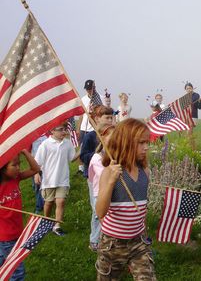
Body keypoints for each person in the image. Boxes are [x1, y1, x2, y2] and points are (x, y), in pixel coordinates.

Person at [95, 119, 156, 280]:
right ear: (126, 142)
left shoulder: (145, 172)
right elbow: (100, 211)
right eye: (141, 143)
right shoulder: (110, 172)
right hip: (112, 245)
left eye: (147, 142)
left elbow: (142, 208)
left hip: (138, 242)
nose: (146, 147)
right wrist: (110, 182)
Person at [1, 150, 40, 280]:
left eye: (19, 164)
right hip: (5, 237)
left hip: (17, 232)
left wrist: (24, 152)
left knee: (3, 265)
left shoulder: (15, 179)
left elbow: (36, 169)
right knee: (17, 272)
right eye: (14, 165)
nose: (18, 168)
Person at [34, 122, 78, 236]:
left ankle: (57, 226)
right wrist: (36, 174)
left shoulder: (67, 143)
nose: (63, 132)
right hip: (48, 180)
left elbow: (72, 158)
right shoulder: (45, 144)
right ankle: (46, 221)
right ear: (52, 131)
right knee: (48, 203)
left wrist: (82, 149)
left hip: (63, 179)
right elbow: (37, 162)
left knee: (61, 201)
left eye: (64, 129)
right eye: (60, 130)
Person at [87, 123, 115, 252]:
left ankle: (110, 242)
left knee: (109, 218)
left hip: (111, 191)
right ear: (102, 138)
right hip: (99, 192)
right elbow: (105, 175)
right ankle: (96, 241)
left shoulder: (114, 155)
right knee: (99, 216)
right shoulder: (97, 158)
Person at [80, 105, 114, 179]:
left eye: (111, 118)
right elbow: (83, 156)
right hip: (94, 174)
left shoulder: (114, 135)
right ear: (97, 119)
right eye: (107, 118)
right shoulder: (90, 136)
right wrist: (98, 154)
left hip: (111, 172)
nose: (110, 120)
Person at [77, 79, 98, 173]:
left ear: (94, 88)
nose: (89, 91)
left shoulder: (99, 98)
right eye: (87, 89)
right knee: (83, 148)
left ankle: (95, 166)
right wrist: (78, 128)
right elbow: (81, 115)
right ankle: (83, 168)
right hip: (84, 128)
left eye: (91, 88)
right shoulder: (83, 99)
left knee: (95, 149)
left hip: (95, 128)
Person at [31, 134, 48, 214]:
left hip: (45, 166)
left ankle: (42, 204)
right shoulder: (32, 137)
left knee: (42, 185)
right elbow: (32, 154)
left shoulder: (46, 137)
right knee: (37, 186)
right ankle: (40, 205)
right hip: (35, 165)